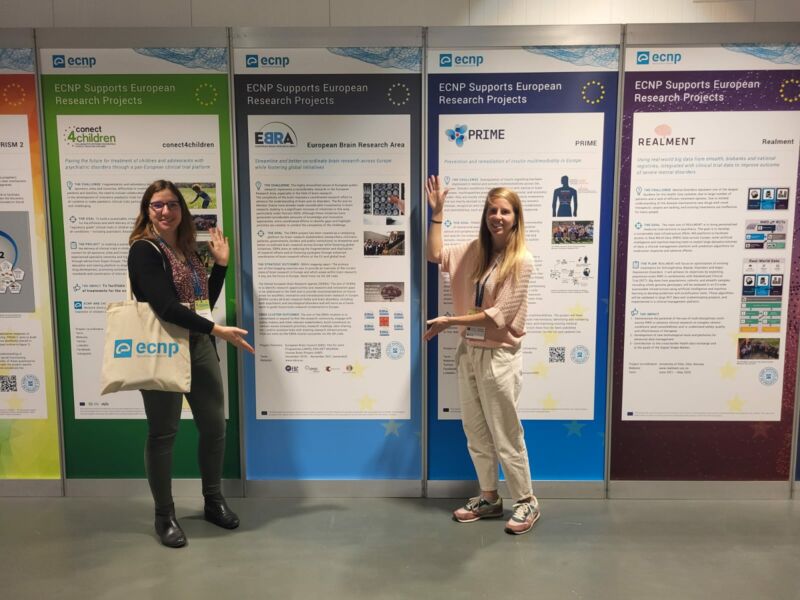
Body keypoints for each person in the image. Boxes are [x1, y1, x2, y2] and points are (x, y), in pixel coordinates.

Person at [128, 180, 255, 548]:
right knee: (163, 433)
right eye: (157, 205)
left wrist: (221, 266)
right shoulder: (144, 251)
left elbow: (202, 304)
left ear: (181, 210)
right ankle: (164, 515)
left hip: (199, 347)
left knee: (214, 427)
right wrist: (218, 329)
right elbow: (166, 307)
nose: (165, 211)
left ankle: (213, 501)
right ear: (147, 210)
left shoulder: (187, 250)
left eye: (171, 204)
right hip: (163, 348)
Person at [424, 175, 540, 535]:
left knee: (505, 432)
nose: (497, 217)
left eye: (505, 211)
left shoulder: (522, 261)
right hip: (469, 352)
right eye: (492, 210)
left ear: (516, 218)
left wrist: (450, 320)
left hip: (499, 357)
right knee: (475, 430)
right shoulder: (476, 250)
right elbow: (435, 254)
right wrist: (437, 213)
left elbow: (498, 315)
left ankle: (526, 501)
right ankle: (489, 497)